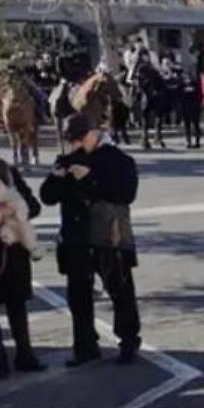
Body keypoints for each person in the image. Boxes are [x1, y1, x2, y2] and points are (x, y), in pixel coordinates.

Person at [40, 114, 141, 367]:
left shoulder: (117, 159)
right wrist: (57, 176)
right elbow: (47, 196)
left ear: (95, 132)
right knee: (78, 296)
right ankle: (85, 346)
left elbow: (125, 194)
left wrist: (89, 178)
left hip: (108, 236)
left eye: (79, 137)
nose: (75, 143)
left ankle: (128, 342)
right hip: (76, 237)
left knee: (120, 290)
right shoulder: (67, 158)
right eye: (70, 139)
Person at [0, 159, 43, 377]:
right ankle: (13, 359)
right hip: (13, 248)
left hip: (14, 250)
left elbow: (34, 206)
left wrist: (13, 211)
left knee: (17, 303)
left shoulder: (8, 171)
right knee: (15, 305)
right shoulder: (7, 171)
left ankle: (22, 357)